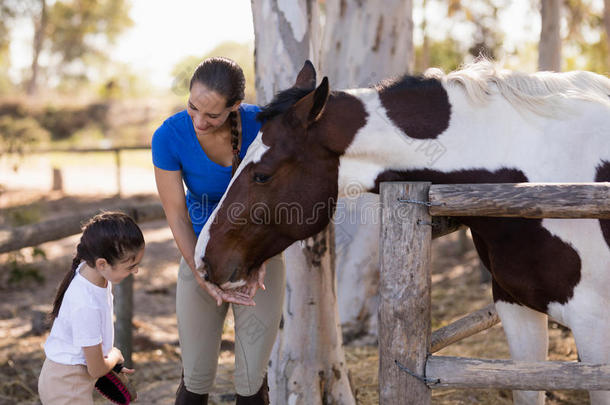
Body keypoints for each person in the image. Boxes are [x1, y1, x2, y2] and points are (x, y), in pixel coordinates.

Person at [152, 57, 285, 405]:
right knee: (195, 378)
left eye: (212, 115)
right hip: (199, 255)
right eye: (193, 107)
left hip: (260, 258)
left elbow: (282, 199)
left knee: (251, 380)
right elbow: (177, 215)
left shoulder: (265, 127)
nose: (199, 121)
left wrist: (258, 258)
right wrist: (200, 273)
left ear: (235, 106)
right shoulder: (169, 136)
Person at [38, 211, 145, 404]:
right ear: (102, 263)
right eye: (130, 266)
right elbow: (95, 369)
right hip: (66, 386)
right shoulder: (85, 303)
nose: (136, 271)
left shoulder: (93, 273)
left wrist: (110, 363)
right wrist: (113, 355)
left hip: (69, 378)